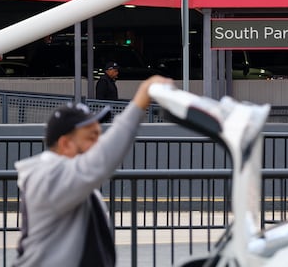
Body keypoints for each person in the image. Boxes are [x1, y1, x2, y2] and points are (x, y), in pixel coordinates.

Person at [12, 75, 173, 267]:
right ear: (66, 144)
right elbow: (101, 161)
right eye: (91, 137)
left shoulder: (65, 176)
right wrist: (140, 101)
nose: (99, 143)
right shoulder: (47, 176)